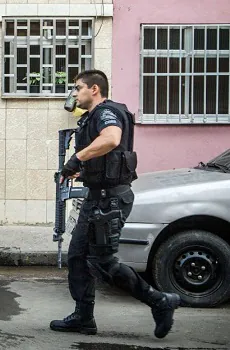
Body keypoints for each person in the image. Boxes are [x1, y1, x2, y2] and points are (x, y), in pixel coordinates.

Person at [50, 70, 180, 338]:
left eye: (78, 88)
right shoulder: (92, 117)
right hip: (97, 197)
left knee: (102, 262)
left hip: (110, 201)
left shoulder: (105, 113)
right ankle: (83, 317)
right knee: (77, 256)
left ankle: (160, 301)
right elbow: (107, 156)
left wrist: (77, 159)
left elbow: (111, 139)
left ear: (94, 89)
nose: (74, 94)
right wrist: (82, 171)